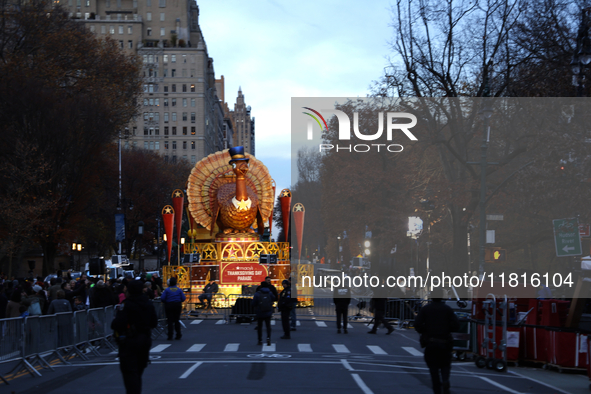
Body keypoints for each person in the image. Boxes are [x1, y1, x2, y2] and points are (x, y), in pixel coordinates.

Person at [111, 280, 158, 394]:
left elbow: (118, 323)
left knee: (130, 372)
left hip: (129, 340)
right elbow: (154, 322)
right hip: (145, 339)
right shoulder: (148, 303)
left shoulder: (127, 304)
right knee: (138, 370)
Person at [415, 288, 460, 394]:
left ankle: (437, 389)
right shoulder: (447, 309)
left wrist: (425, 331)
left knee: (433, 369)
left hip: (431, 342)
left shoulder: (426, 309)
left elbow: (417, 324)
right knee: (445, 365)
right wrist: (448, 329)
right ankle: (445, 380)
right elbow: (456, 325)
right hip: (444, 341)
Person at [251, 281, 275, 345]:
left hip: (260, 312)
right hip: (268, 311)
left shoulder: (257, 293)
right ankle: (268, 338)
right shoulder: (269, 293)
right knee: (268, 326)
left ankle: (260, 340)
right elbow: (274, 298)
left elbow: (253, 303)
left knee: (259, 326)